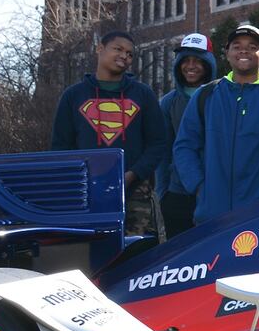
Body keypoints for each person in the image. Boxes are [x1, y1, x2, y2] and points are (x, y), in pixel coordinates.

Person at [172, 23, 259, 224]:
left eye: (252, 46)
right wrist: (199, 187)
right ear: (227, 53)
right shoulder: (205, 96)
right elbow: (184, 146)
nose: (244, 50)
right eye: (237, 46)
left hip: (258, 219)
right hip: (210, 217)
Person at [50, 30, 169, 235]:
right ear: (100, 49)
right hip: (85, 194)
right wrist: (76, 181)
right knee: (88, 257)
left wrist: (132, 175)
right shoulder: (73, 95)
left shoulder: (143, 94)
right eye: (118, 49)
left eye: (130, 54)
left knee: (138, 256)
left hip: (135, 195)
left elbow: (157, 143)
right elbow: (60, 146)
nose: (124, 56)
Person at [154, 32, 215, 238]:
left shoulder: (220, 96)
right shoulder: (169, 102)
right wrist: (163, 193)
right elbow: (163, 150)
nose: (191, 66)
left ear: (209, 64)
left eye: (198, 60)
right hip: (177, 194)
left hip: (213, 192)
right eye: (186, 60)